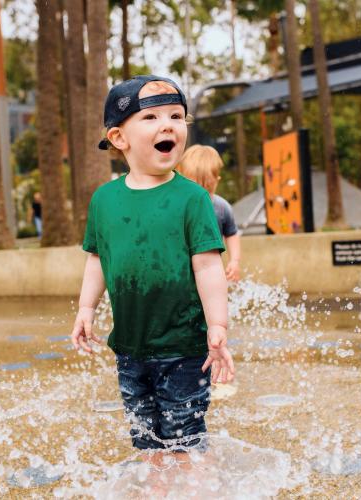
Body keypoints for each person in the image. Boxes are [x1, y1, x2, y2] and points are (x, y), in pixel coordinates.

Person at [71, 75, 235, 466]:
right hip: (130, 348)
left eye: (177, 116)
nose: (168, 125)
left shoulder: (192, 198)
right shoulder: (105, 200)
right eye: (152, 117)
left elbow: (209, 265)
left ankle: (199, 491)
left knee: (186, 440)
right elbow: (97, 258)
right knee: (146, 442)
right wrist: (85, 309)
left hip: (183, 346)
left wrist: (219, 325)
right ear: (118, 138)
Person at [178, 145, 242, 282]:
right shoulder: (177, 207)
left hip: (210, 268)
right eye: (194, 191)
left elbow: (232, 234)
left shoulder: (222, 208)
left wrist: (234, 261)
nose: (201, 198)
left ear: (217, 182)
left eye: (207, 191)